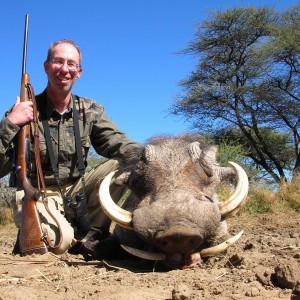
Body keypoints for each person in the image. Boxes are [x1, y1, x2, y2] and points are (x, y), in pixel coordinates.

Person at [0, 39, 142, 259]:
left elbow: (116, 142)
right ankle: (65, 235)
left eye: (71, 64)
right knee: (60, 244)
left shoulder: (90, 109)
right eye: (58, 61)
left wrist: (151, 154)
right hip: (40, 193)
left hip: (78, 191)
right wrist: (10, 123)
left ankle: (91, 235)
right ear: (46, 67)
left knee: (122, 163)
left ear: (79, 72)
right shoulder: (22, 111)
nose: (64, 69)